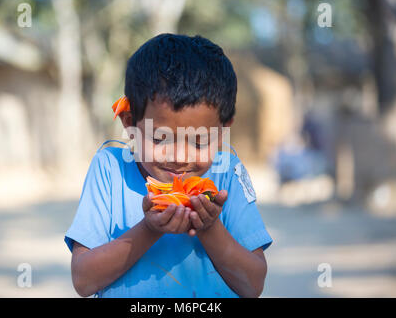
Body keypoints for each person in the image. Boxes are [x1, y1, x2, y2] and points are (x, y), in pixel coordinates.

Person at [64, 33, 273, 298]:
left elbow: (253, 285)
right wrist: (149, 229)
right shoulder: (110, 169)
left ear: (223, 131)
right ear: (130, 122)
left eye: (200, 142)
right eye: (160, 138)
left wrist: (209, 228)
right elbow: (83, 280)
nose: (180, 157)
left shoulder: (227, 173)